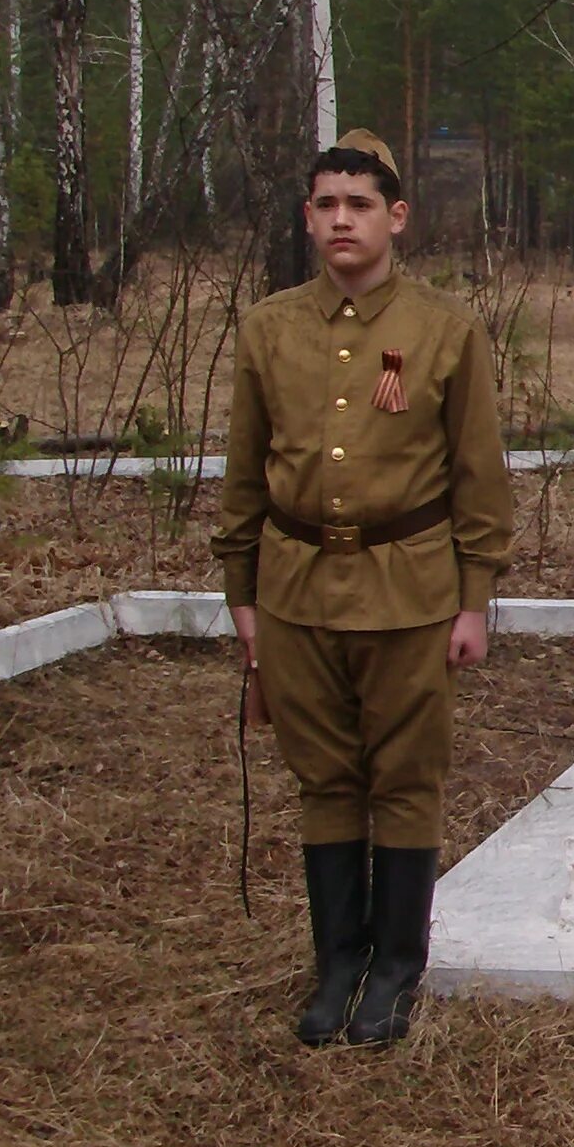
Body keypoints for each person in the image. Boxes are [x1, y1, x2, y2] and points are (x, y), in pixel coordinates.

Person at [213, 133, 515, 1046]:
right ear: (307, 217)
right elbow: (244, 471)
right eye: (325, 205)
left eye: (359, 205)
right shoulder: (271, 328)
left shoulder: (443, 329)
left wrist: (473, 600)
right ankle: (336, 963)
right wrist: (243, 590)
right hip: (296, 587)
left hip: (410, 590)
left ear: (396, 218)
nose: (341, 220)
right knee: (326, 779)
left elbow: (478, 477)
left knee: (404, 778)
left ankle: (394, 969)